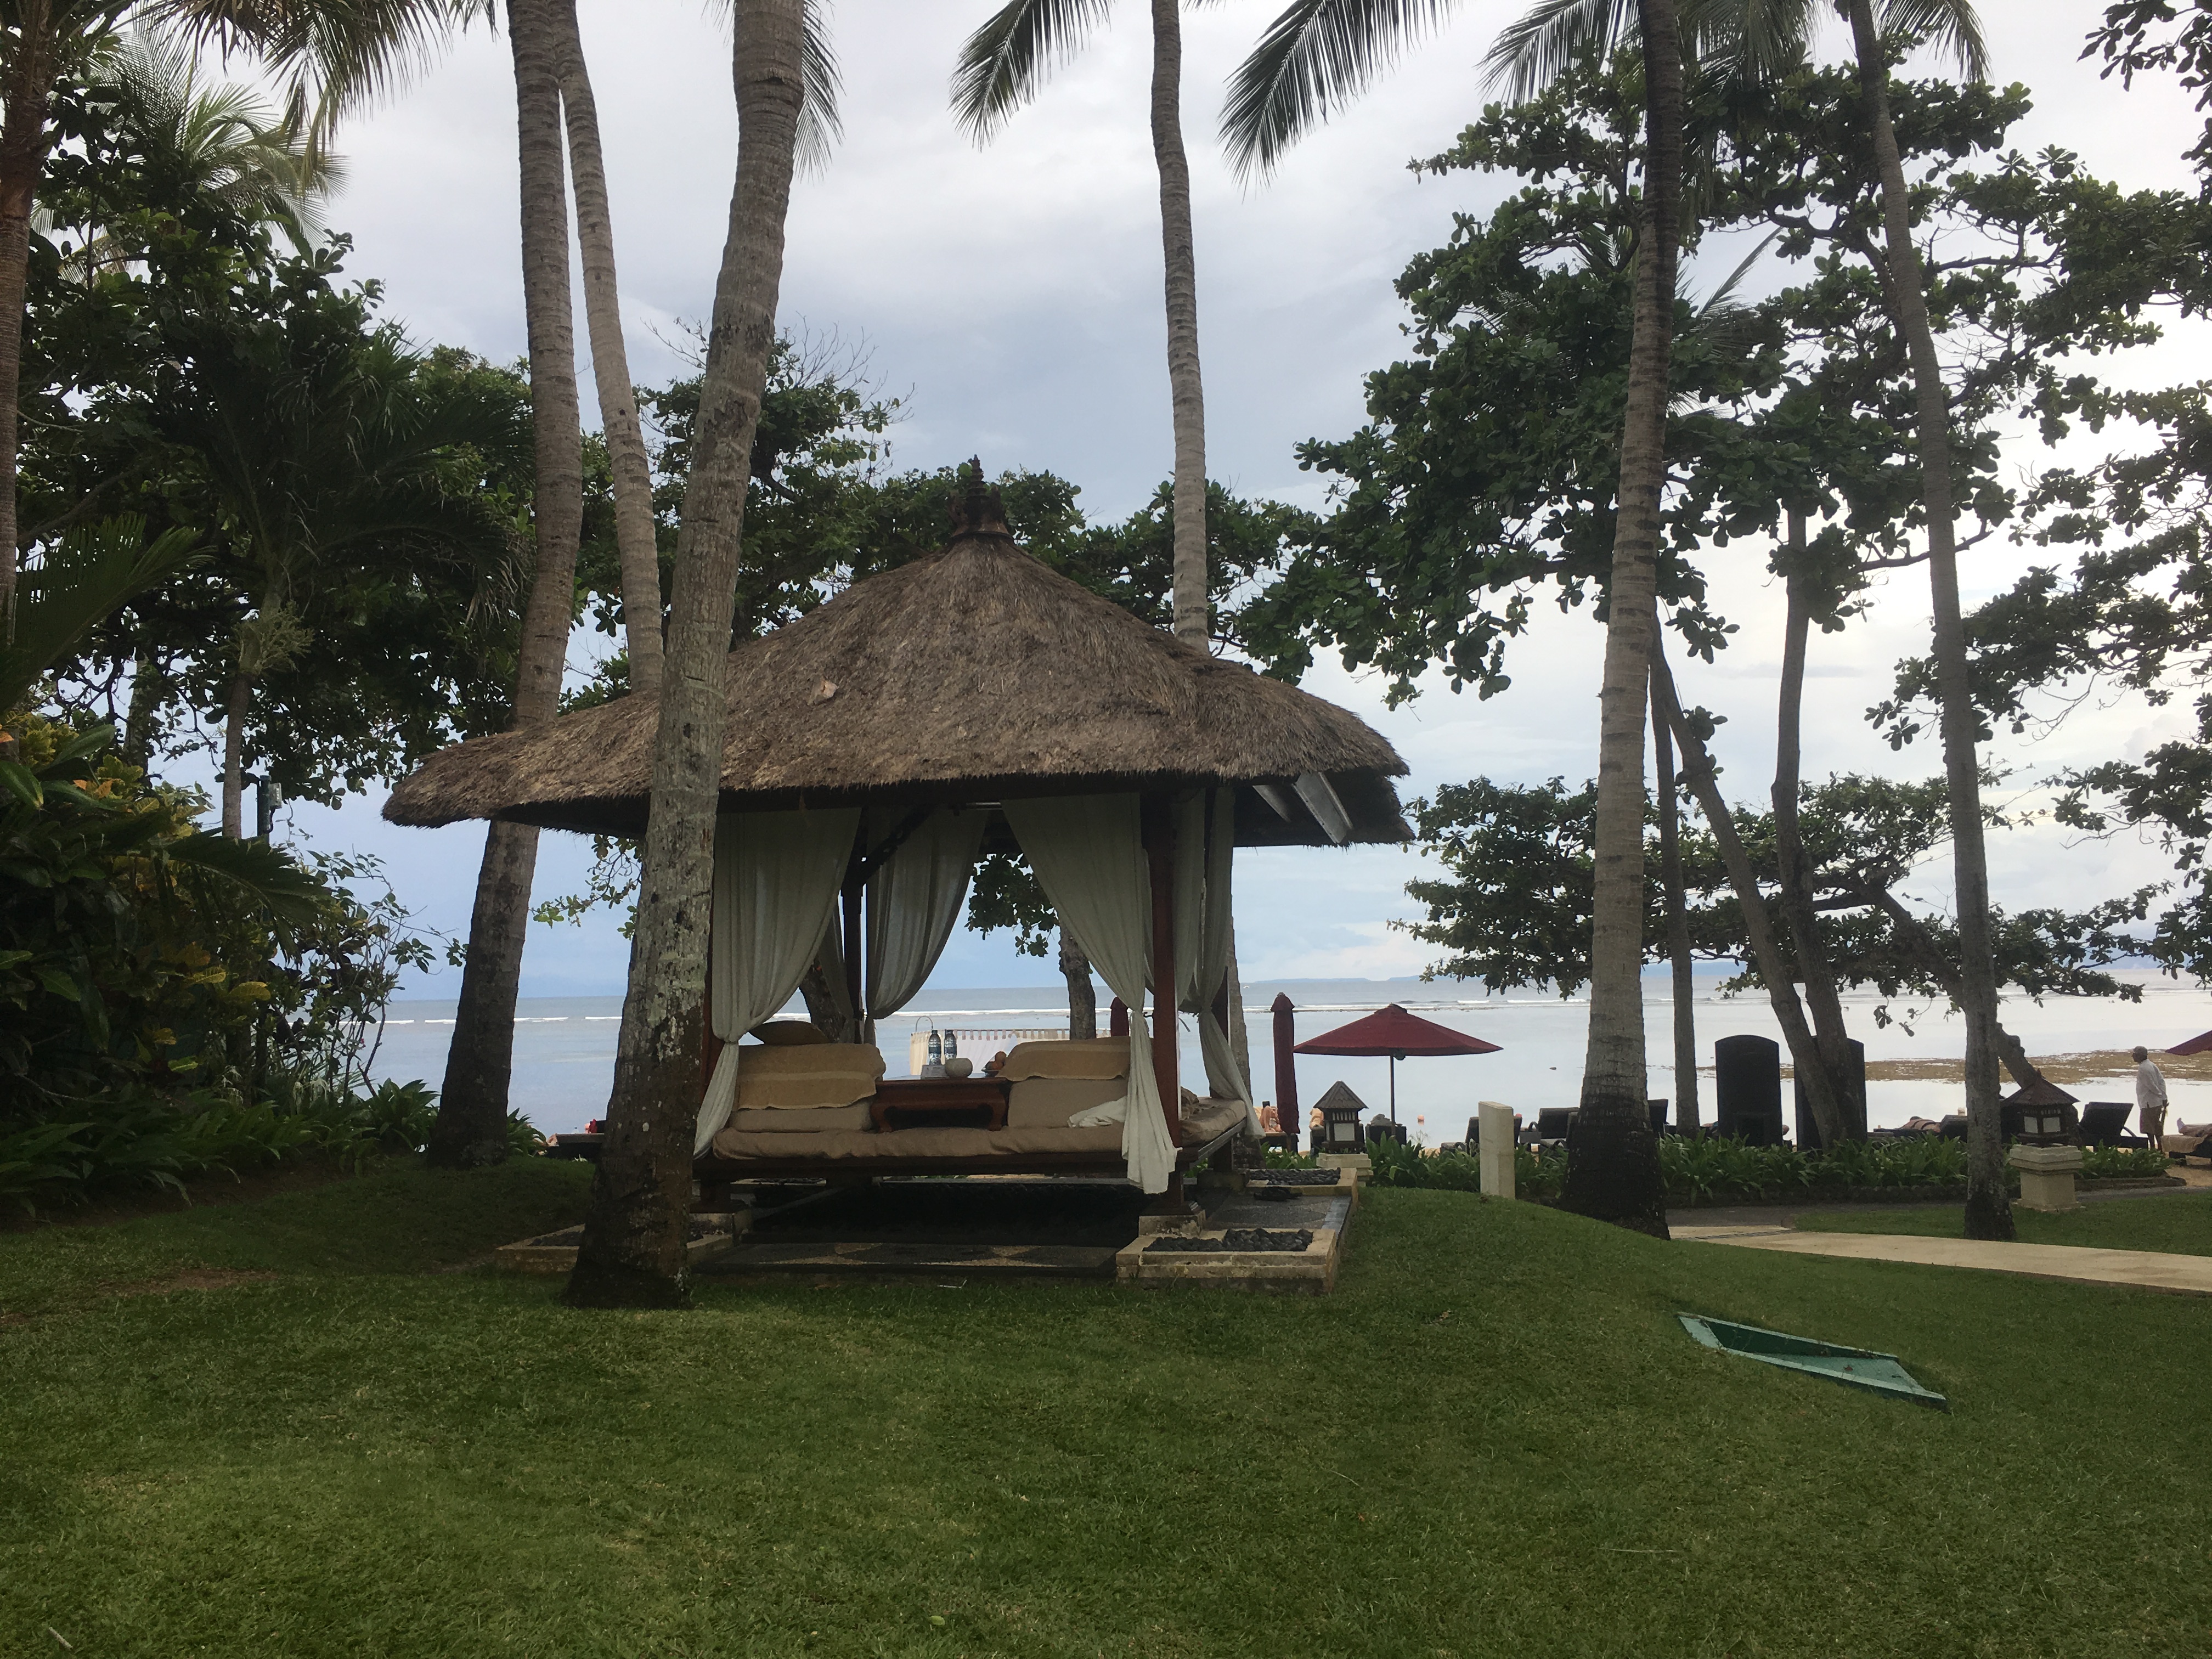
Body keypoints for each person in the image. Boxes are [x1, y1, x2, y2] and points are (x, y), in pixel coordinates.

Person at [2134, 1045, 2169, 1148]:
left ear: (2140, 1056)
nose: (2133, 1056)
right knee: (2157, 1127)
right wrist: (2163, 1097)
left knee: (2149, 1128)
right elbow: (2161, 1082)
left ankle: (2153, 1148)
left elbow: (2151, 1085)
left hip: (2148, 1103)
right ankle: (2160, 1148)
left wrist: (2159, 1094)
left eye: (2135, 1055)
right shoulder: (2151, 1065)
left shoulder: (2143, 1068)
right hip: (2156, 1102)